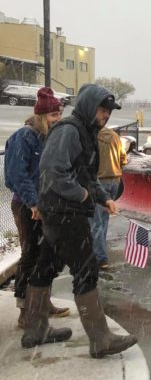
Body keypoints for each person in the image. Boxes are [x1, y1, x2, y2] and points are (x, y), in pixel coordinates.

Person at [21, 83, 138, 358]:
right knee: (86, 271)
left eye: (108, 111)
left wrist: (102, 198)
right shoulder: (70, 130)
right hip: (65, 213)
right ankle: (101, 339)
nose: (106, 115)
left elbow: (85, 174)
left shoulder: (86, 133)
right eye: (102, 109)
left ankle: (35, 329)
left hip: (59, 211)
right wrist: (83, 194)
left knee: (45, 268)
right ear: (88, 106)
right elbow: (52, 170)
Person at [4, 87, 70, 328]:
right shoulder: (24, 137)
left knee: (47, 255)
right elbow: (16, 174)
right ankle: (25, 310)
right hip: (27, 206)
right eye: (53, 116)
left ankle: (42, 301)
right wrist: (33, 202)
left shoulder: (49, 137)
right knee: (31, 254)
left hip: (48, 206)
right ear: (42, 116)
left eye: (59, 114)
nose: (58, 120)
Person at [89, 126, 127, 269]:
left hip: (99, 182)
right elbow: (123, 158)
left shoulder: (91, 137)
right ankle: (101, 250)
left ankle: (100, 258)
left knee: (95, 221)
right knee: (103, 220)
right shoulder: (114, 136)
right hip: (115, 181)